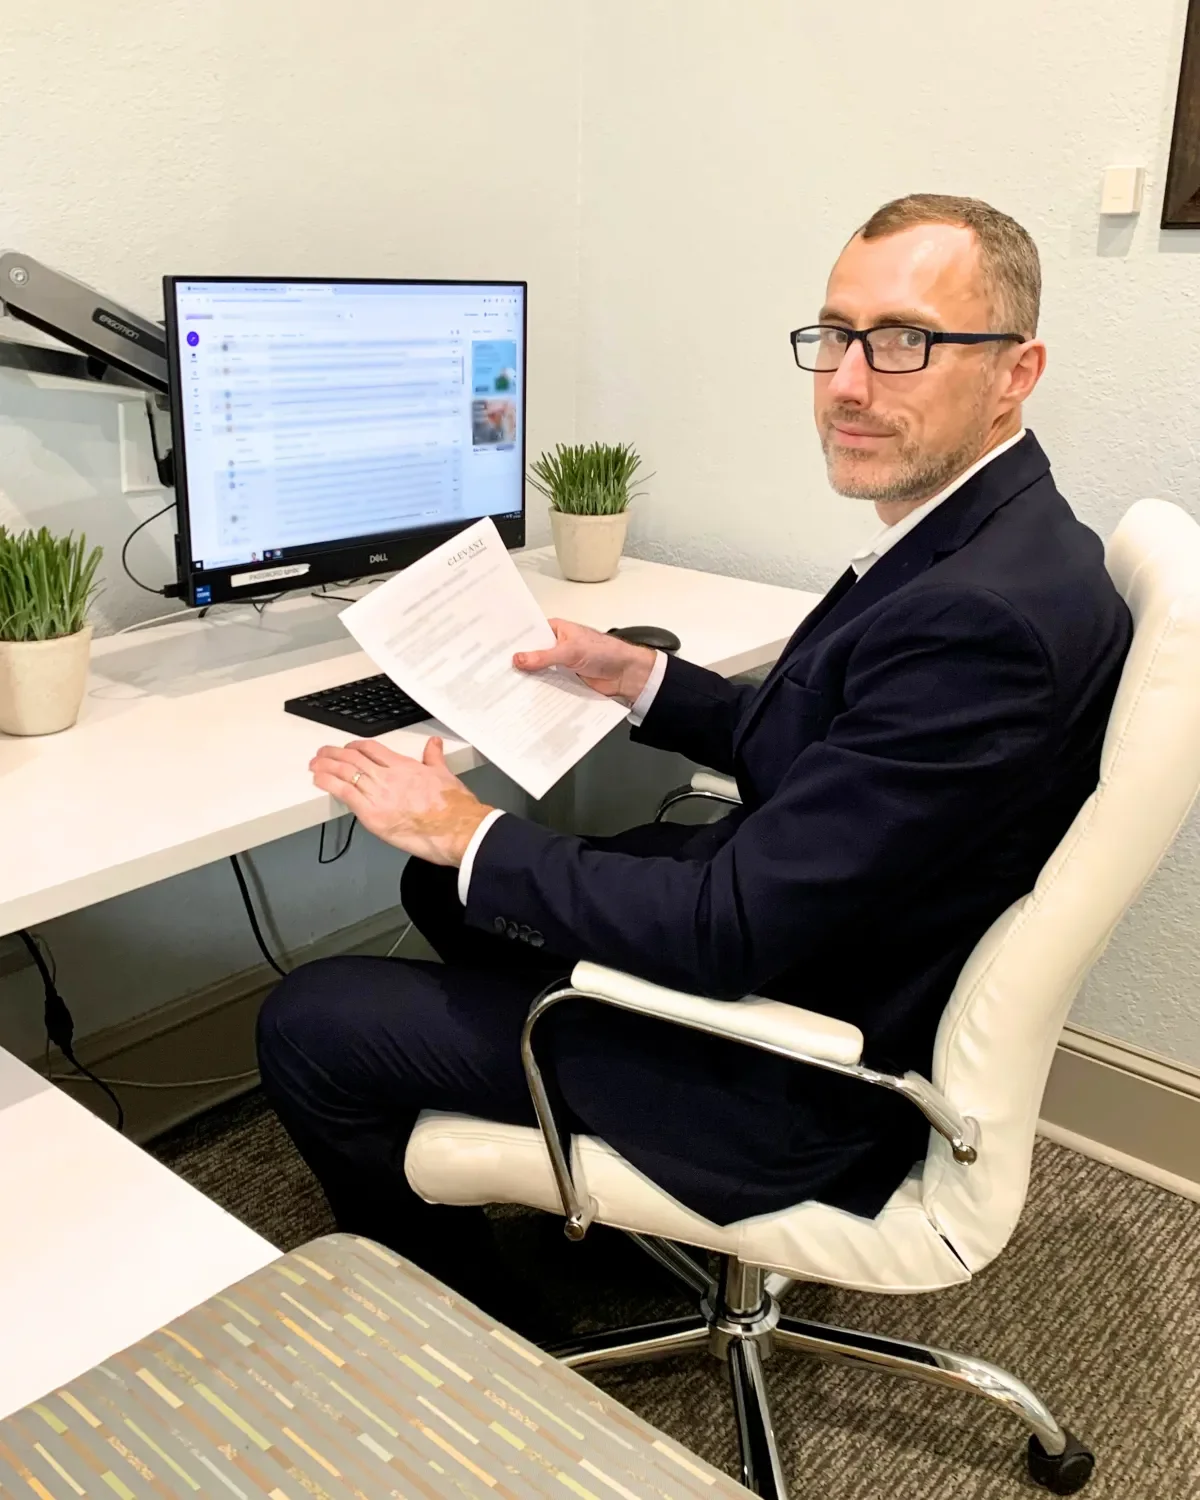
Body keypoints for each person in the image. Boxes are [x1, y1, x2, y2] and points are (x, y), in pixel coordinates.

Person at [256, 194, 1132, 1318]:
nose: (849, 384)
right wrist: (640, 679)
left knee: (311, 1019)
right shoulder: (998, 539)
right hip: (829, 947)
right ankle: (565, 1130)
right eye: (835, 336)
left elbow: (724, 933)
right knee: (447, 887)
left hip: (794, 1065)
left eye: (905, 342)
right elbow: (834, 741)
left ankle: (481, 1318)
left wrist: (469, 825)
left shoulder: (982, 621)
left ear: (1016, 371)